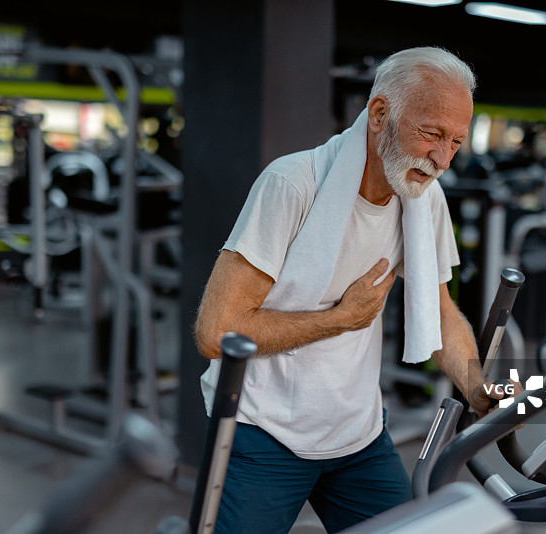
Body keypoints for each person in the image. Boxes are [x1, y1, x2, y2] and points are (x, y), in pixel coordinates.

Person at [194, 46, 520, 534]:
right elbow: (216, 332)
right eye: (430, 133)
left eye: (455, 142)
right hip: (262, 433)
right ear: (379, 114)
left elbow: (441, 311)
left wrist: (475, 385)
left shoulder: (423, 200)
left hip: (358, 436)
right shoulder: (292, 184)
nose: (441, 158)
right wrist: (338, 319)